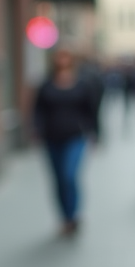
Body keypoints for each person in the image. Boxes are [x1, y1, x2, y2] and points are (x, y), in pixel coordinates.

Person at [33, 46, 101, 235]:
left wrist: (96, 133)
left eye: (65, 57)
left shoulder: (82, 84)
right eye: (59, 57)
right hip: (52, 138)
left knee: (69, 176)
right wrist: (37, 129)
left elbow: (91, 110)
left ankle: (73, 215)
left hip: (75, 137)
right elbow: (38, 110)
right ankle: (64, 217)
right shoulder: (46, 85)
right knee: (58, 180)